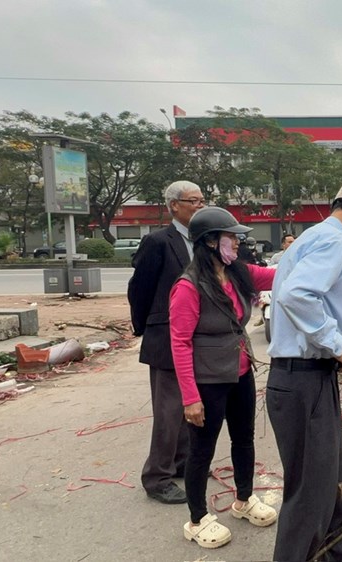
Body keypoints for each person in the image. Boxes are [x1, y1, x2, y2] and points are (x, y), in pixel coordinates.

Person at [266, 175, 342, 562]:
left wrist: (338, 359)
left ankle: (339, 551)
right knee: (310, 491)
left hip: (311, 375)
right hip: (301, 380)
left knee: (333, 475)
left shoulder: (313, 235)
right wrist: (338, 346)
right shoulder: (337, 241)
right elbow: (296, 295)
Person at [170, 207, 278, 549]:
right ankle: (197, 518)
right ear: (211, 242)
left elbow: (273, 275)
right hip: (207, 381)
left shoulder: (237, 273)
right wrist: (190, 397)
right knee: (201, 450)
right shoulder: (188, 287)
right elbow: (180, 343)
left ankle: (244, 499)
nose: (237, 241)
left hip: (240, 371)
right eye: (231, 237)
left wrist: (309, 255)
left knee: (243, 439)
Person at [128, 180, 206, 505]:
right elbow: (139, 289)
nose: (200, 206)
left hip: (196, 337)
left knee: (191, 402)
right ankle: (156, 476)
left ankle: (181, 463)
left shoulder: (204, 241)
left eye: (203, 201)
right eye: (193, 201)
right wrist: (145, 327)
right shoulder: (158, 242)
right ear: (174, 205)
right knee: (169, 410)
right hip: (166, 336)